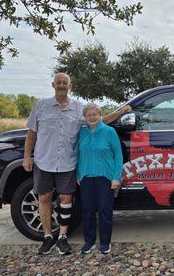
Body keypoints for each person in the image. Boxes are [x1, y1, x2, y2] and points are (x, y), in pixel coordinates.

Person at [23, 73, 130, 255]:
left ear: (70, 86)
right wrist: (27, 156)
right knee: (44, 198)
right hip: (44, 160)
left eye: (65, 83)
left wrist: (121, 112)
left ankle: (63, 237)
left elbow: (99, 120)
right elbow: (32, 133)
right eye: (59, 82)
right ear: (53, 84)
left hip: (67, 163)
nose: (62, 85)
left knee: (66, 199)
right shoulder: (41, 106)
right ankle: (48, 237)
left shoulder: (78, 109)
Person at [77, 103, 123, 255]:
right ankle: (89, 242)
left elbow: (118, 156)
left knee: (104, 210)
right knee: (87, 210)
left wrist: (116, 177)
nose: (91, 117)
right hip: (86, 177)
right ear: (85, 117)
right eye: (88, 115)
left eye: (94, 114)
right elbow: (78, 155)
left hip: (105, 176)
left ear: (100, 115)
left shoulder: (109, 131)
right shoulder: (82, 132)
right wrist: (78, 174)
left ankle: (105, 242)